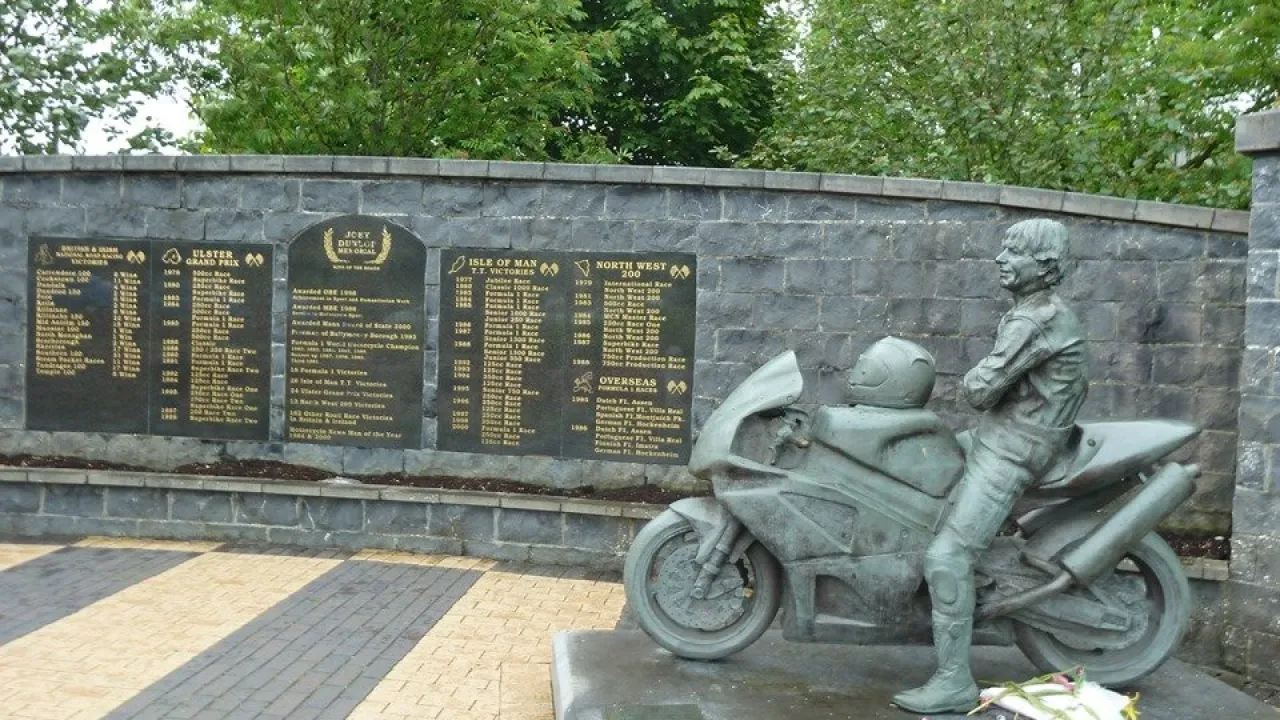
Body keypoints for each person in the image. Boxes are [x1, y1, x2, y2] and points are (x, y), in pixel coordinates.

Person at [893, 218, 1089, 714]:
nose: (1000, 259)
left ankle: (954, 680)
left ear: (1043, 266)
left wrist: (977, 377)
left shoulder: (1035, 320)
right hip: (1003, 434)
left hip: (1014, 447)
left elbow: (980, 390)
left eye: (1013, 252)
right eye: (1002, 249)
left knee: (947, 556)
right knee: (919, 465)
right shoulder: (1034, 311)